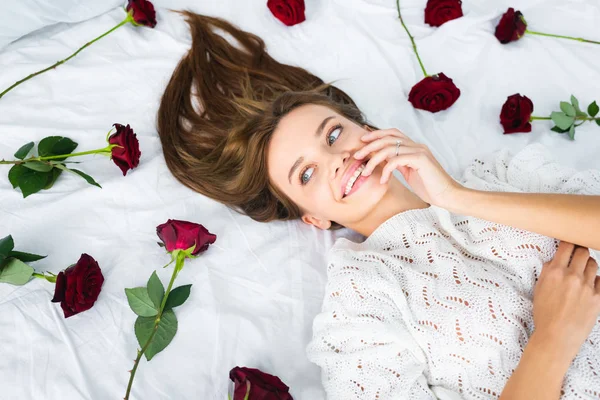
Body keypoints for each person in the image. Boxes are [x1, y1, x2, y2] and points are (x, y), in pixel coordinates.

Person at [156, 12, 600, 399]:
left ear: (367, 129)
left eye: (333, 135)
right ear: (313, 217)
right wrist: (553, 339)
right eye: (306, 174)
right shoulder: (357, 312)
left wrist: (457, 197)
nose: (337, 160)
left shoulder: (497, 175)